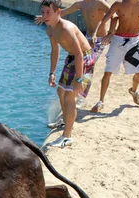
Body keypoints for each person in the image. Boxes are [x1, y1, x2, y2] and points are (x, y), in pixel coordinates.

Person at [35, 0, 116, 105]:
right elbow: (62, 12)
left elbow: (113, 16)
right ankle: (77, 92)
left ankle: (81, 94)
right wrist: (47, 17)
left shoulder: (99, 3)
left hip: (100, 38)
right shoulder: (80, 4)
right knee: (82, 61)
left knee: (88, 62)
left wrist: (110, 33)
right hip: (88, 36)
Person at [41, 0, 98, 148]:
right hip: (72, 58)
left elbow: (80, 54)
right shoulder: (50, 29)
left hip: (84, 58)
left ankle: (67, 137)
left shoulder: (66, 28)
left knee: (69, 95)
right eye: (43, 12)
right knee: (61, 90)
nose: (45, 16)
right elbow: (55, 51)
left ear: (58, 12)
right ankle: (65, 121)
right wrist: (52, 72)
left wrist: (79, 79)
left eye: (48, 12)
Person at [89, 0, 139, 112]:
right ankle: (101, 101)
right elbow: (104, 20)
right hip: (118, 40)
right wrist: (95, 34)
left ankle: (134, 91)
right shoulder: (119, 4)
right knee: (108, 71)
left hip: (134, 41)